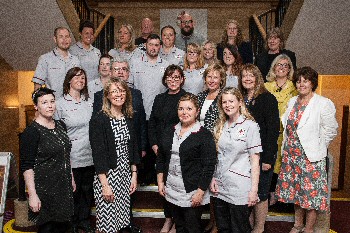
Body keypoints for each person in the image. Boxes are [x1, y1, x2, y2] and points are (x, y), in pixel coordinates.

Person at [276, 67, 338, 233]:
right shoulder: (292, 102)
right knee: (297, 194)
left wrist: (318, 147)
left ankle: (309, 228)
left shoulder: (323, 103)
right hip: (291, 157)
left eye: (305, 80)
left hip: (311, 158)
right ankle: (298, 225)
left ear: (312, 83)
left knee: (311, 196)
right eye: (298, 81)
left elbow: (331, 129)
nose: (301, 84)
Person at [92, 59, 145, 233]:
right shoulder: (99, 120)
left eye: (122, 91)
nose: (118, 94)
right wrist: (105, 185)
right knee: (107, 224)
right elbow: (98, 154)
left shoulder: (128, 117)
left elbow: (133, 149)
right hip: (108, 176)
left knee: (122, 222)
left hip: (124, 176)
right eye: (114, 91)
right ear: (107, 95)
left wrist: (134, 175)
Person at [157, 93, 216, 233]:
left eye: (189, 109)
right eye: (181, 109)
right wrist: (160, 181)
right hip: (172, 190)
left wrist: (200, 192)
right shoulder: (169, 131)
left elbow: (209, 167)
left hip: (192, 192)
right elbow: (161, 157)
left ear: (197, 111)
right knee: (180, 227)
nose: (184, 112)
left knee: (192, 228)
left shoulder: (204, 135)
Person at [20, 87, 74, 233]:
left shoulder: (61, 125)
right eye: (44, 102)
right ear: (36, 106)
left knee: (65, 228)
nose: (50, 105)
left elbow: (65, 154)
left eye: (52, 101)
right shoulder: (31, 132)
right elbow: (27, 166)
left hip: (63, 188)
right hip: (45, 191)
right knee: (48, 229)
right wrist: (32, 195)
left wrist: (72, 177)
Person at [210, 87, 261, 233]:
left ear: (240, 102)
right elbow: (217, 156)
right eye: (224, 102)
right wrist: (213, 177)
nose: (228, 105)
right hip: (220, 187)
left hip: (240, 189)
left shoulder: (250, 126)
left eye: (231, 101)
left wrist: (254, 190)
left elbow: (255, 161)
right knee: (223, 228)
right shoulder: (220, 125)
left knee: (239, 229)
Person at [239, 64, 280, 233]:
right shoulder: (240, 98)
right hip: (243, 155)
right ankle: (250, 225)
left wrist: (268, 159)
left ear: (257, 78)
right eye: (244, 76)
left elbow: (272, 130)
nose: (247, 79)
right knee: (248, 191)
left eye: (251, 75)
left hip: (262, 155)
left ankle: (259, 227)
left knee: (262, 192)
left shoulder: (267, 98)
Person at [54, 67, 94, 233]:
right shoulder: (60, 104)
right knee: (73, 191)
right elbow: (56, 132)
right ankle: (72, 222)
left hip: (90, 154)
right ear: (69, 80)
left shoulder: (89, 102)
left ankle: (84, 220)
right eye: (76, 77)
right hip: (71, 156)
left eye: (83, 77)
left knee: (87, 191)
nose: (80, 80)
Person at [148, 65, 188, 233]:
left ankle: (178, 221)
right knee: (163, 184)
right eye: (170, 77)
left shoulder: (186, 98)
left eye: (176, 77)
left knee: (177, 185)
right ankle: (168, 219)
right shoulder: (159, 99)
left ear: (182, 79)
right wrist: (154, 144)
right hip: (161, 149)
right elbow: (152, 123)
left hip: (180, 149)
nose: (173, 80)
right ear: (165, 80)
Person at [264, 54, 298, 205]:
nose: (282, 68)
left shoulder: (294, 88)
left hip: (286, 133)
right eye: (279, 65)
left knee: (282, 164)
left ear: (290, 69)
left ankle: (281, 195)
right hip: (268, 132)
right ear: (274, 67)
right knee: (269, 161)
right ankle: (269, 193)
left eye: (285, 65)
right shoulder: (266, 86)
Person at [129, 33, 169, 120]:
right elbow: (129, 86)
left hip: (159, 113)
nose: (153, 48)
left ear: (160, 47)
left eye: (156, 45)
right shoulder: (135, 63)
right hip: (138, 112)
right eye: (150, 44)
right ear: (145, 45)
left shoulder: (166, 65)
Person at [32, 27, 80, 96]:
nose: (64, 39)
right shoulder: (45, 59)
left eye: (67, 36)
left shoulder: (76, 60)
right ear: (55, 39)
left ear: (70, 39)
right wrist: (39, 104)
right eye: (61, 37)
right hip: (53, 104)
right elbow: (37, 86)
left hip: (72, 105)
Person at [197, 63, 226, 132]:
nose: (212, 81)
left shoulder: (224, 97)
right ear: (205, 79)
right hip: (198, 137)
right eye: (209, 77)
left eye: (215, 77)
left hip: (217, 137)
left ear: (221, 80)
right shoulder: (199, 96)